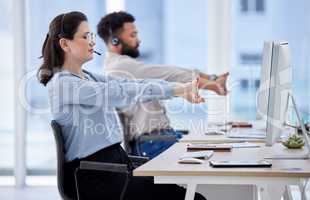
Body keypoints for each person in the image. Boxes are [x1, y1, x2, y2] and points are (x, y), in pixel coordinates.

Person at [38, 11, 206, 200]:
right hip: (97, 177)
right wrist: (176, 91)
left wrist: (179, 88)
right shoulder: (63, 84)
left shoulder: (89, 77)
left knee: (189, 194)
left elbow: (128, 84)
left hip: (115, 167)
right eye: (85, 36)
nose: (92, 41)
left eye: (92, 35)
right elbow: (119, 93)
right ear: (65, 44)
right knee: (192, 197)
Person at [97, 11, 229, 158]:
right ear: (115, 41)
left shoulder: (122, 65)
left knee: (217, 151)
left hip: (159, 139)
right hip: (153, 143)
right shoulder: (122, 66)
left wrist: (212, 78)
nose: (138, 40)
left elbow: (171, 71)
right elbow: (171, 74)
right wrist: (212, 85)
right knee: (217, 157)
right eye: (133, 35)